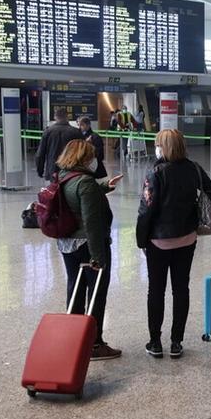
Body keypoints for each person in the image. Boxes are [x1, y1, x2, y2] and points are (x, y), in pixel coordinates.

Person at [137, 129, 211, 358]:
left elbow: (146, 209)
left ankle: (155, 342)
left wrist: (141, 239)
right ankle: (176, 342)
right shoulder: (194, 169)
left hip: (159, 242)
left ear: (164, 147)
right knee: (180, 289)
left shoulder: (154, 171)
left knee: (156, 291)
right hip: (187, 239)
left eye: (158, 145)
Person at [55, 139, 124, 360]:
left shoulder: (63, 176)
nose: (95, 160)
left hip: (68, 244)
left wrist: (104, 185)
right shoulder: (84, 181)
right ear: (84, 158)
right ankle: (94, 344)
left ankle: (73, 338)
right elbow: (92, 224)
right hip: (88, 245)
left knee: (74, 288)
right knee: (96, 293)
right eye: (92, 156)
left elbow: (79, 193)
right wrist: (98, 258)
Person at [35, 108, 81, 181]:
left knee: (54, 190)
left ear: (55, 117)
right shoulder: (76, 132)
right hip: (71, 169)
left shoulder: (48, 131)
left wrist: (40, 170)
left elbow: (40, 154)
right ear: (67, 116)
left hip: (53, 170)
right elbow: (82, 152)